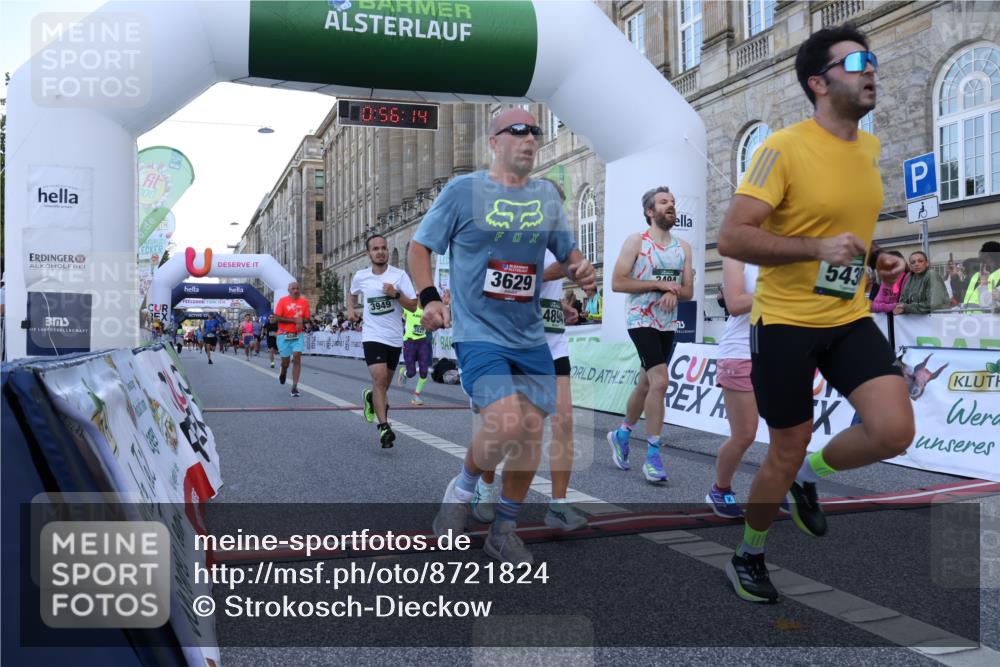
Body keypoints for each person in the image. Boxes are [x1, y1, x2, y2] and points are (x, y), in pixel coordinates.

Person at [717, 24, 913, 603]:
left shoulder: (870, 147)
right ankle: (748, 553)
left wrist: (883, 255)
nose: (871, 69)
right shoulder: (782, 147)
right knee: (785, 446)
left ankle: (810, 478)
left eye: (872, 59)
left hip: (847, 315)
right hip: (784, 323)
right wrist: (813, 249)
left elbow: (846, 233)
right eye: (856, 63)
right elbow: (733, 237)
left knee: (894, 431)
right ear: (819, 83)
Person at [409, 107, 595, 564]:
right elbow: (419, 247)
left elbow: (566, 252)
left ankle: (504, 529)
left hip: (530, 336)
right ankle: (463, 488)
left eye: (534, 131)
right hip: (479, 333)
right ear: (495, 142)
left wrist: (580, 267)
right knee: (507, 423)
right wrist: (430, 296)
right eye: (518, 131)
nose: (530, 139)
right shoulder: (464, 191)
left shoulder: (547, 200)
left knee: (530, 434)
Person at [470, 178, 589, 533]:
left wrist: (561, 307)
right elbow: (507, 282)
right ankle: (486, 484)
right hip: (514, 344)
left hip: (553, 343)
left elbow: (549, 287)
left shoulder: (563, 245)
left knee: (565, 421)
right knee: (508, 429)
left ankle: (559, 504)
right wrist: (560, 271)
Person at [607, 186, 694, 484]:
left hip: (667, 322)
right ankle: (653, 455)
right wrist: (658, 285)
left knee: (646, 383)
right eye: (663, 202)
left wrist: (675, 293)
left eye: (672, 202)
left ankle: (622, 434)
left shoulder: (683, 247)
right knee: (661, 381)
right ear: (649, 212)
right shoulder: (637, 242)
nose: (670, 206)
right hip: (640, 319)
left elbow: (688, 291)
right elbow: (618, 283)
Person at [348, 234, 418, 448]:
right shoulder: (361, 276)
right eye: (375, 249)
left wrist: (395, 294)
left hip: (394, 337)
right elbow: (351, 294)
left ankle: (370, 398)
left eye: (383, 248)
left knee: (383, 386)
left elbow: (413, 306)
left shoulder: (399, 276)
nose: (380, 252)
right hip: (372, 336)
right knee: (379, 380)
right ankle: (384, 427)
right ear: (368, 253)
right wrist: (351, 309)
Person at [706, 258, 761, 518]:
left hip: (782, 353)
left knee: (789, 433)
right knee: (745, 434)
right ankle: (720, 488)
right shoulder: (737, 256)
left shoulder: (791, 250)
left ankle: (775, 487)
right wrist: (779, 289)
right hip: (741, 353)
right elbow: (735, 304)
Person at [273, 281, 310, 397]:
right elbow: (277, 317)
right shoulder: (283, 301)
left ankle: (294, 386)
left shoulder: (304, 302)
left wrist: (301, 321)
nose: (296, 290)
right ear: (289, 290)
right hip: (283, 334)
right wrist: (294, 320)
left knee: (297, 356)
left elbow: (307, 319)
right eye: (293, 288)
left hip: (298, 334)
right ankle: (283, 371)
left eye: (298, 288)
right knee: (286, 361)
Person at [397, 305, 432, 406]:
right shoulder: (410, 307)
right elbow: (400, 314)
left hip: (423, 342)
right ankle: (404, 373)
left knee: (424, 371)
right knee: (411, 373)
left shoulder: (428, 310)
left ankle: (416, 396)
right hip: (409, 342)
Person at [962, 241, 1000, 310]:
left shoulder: (996, 276)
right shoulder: (976, 276)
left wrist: (984, 285)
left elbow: (988, 306)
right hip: (968, 318)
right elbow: (962, 296)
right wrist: (954, 279)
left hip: (987, 319)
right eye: (981, 261)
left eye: (986, 260)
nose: (983, 265)